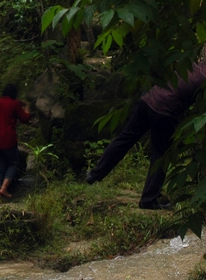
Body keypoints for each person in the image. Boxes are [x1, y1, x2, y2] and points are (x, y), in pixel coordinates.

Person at [86, 62, 206, 209]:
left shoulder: (194, 65)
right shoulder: (204, 79)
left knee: (125, 138)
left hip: (148, 100)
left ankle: (95, 174)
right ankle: (149, 199)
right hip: (164, 112)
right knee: (161, 156)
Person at [0, 83, 31, 202]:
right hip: (7, 140)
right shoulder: (14, 104)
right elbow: (25, 119)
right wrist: (27, 106)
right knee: (13, 163)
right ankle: (4, 188)